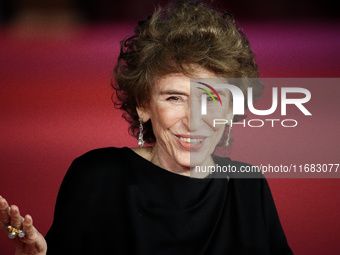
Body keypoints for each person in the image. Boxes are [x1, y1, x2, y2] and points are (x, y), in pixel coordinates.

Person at [0, 1, 293, 254]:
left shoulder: (249, 186)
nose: (193, 120)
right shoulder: (96, 178)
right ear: (143, 105)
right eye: (174, 98)